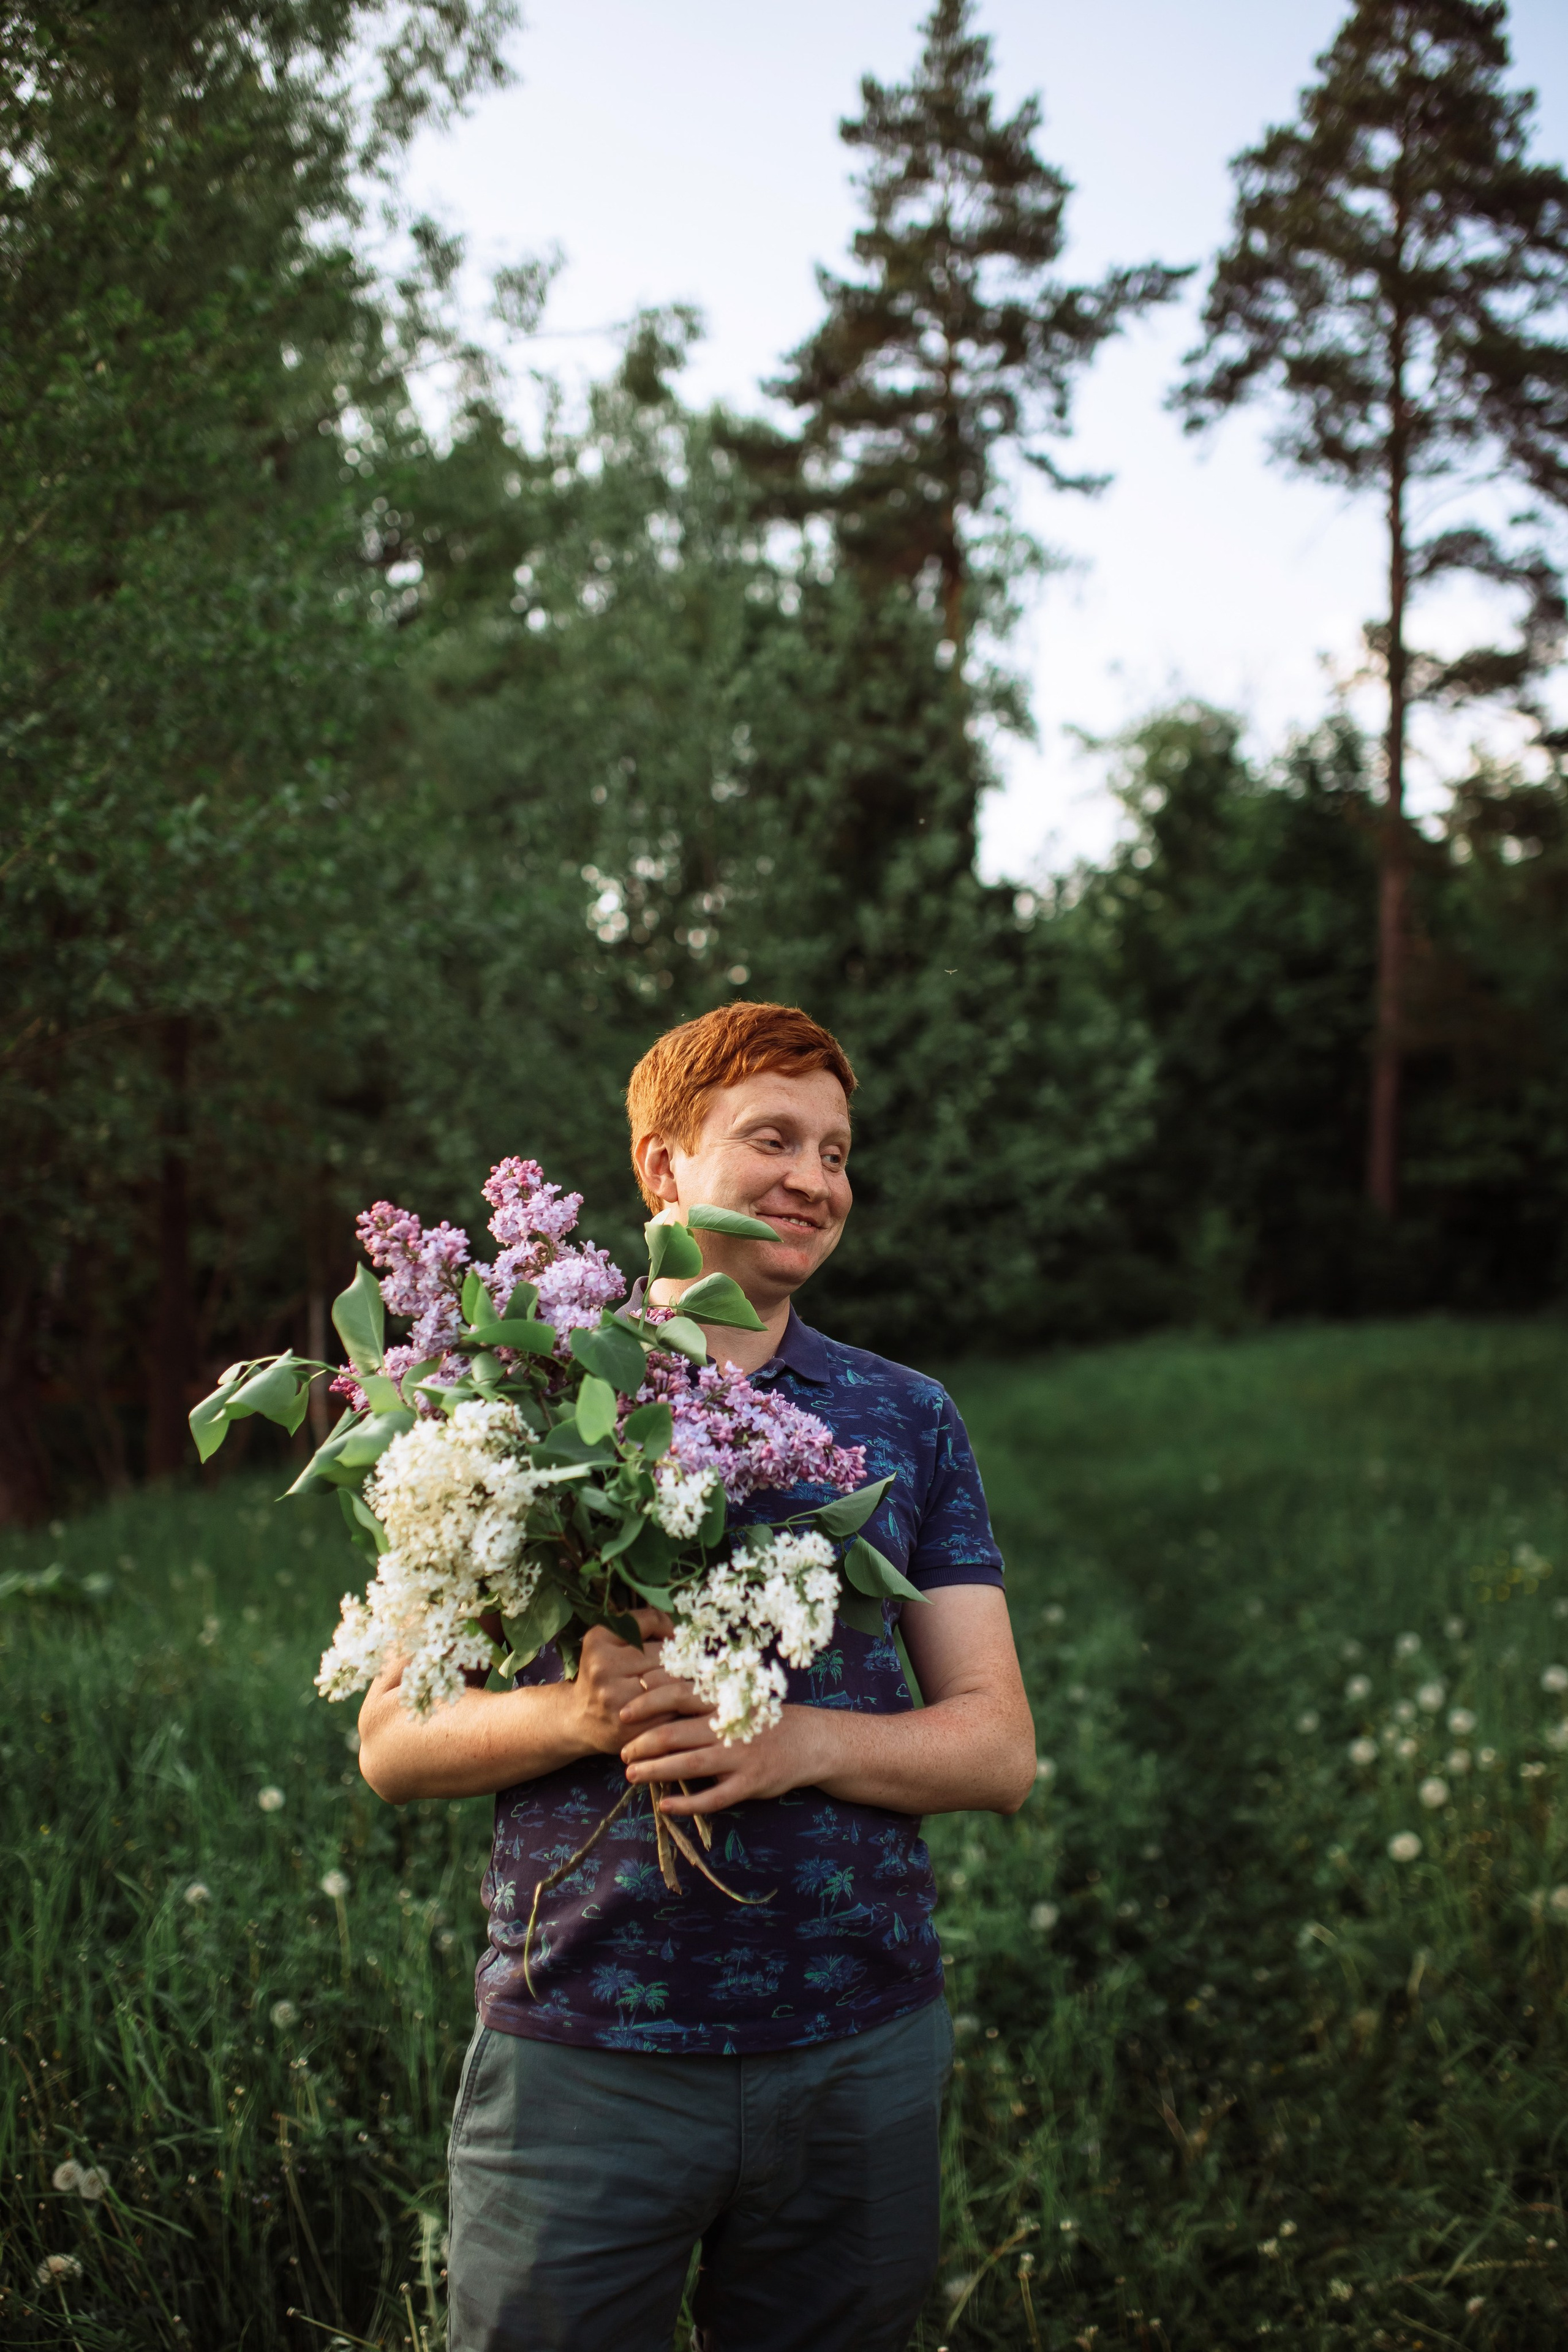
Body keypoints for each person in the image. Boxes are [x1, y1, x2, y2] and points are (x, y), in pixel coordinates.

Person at [357, 1000, 1036, 2352]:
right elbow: (391, 1742)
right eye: (771, 1138)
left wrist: (798, 1746)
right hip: (583, 2051)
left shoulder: (902, 1416)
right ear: (661, 1167)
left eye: (836, 1152)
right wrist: (575, 1710)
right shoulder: (507, 1396)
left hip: (857, 2041)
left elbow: (995, 1749)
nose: (814, 1179)